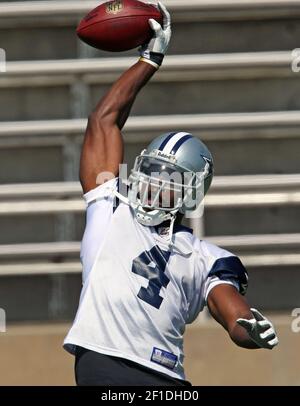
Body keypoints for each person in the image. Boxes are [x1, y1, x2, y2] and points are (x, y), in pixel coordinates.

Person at [64, 2, 278, 386]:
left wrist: (248, 327)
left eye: (168, 180)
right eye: (150, 173)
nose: (152, 185)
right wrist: (150, 58)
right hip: (106, 365)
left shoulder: (205, 256)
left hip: (167, 380)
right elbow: (104, 119)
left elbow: (231, 312)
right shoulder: (111, 208)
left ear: (191, 193)